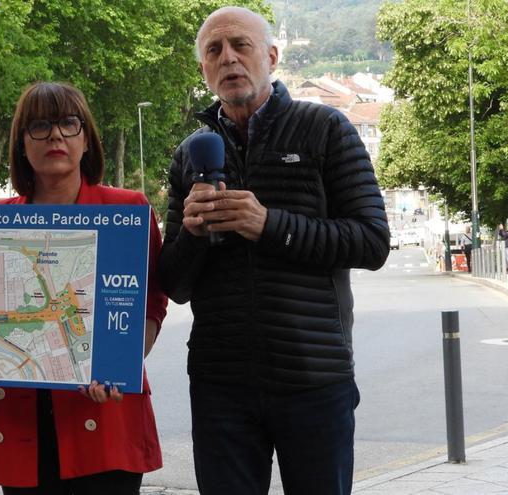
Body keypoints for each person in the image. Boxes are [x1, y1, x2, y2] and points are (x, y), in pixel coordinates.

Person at [158, 7, 389, 495]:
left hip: (315, 376)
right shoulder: (190, 153)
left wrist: (269, 225)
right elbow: (174, 286)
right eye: (214, 51)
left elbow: (371, 241)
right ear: (203, 70)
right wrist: (194, 233)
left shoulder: (327, 128)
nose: (229, 59)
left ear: (271, 55)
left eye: (241, 45)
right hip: (220, 385)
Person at [0, 81, 168, 494]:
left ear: (87, 139)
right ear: (22, 144)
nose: (56, 136)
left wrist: (119, 367)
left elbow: (152, 306)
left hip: (105, 426)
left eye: (68, 123)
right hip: (22, 426)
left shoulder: (128, 210)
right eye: (40, 126)